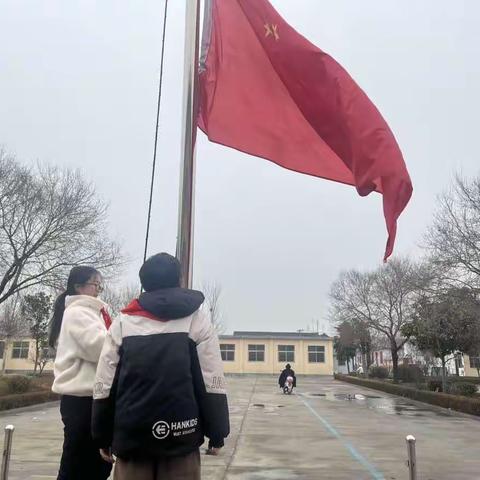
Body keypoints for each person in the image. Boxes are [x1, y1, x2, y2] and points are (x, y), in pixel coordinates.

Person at [92, 253, 230, 480]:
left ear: (144, 283)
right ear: (179, 280)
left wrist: (102, 435)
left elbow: (104, 383)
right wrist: (217, 434)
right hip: (182, 436)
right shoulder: (197, 320)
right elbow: (211, 381)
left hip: (132, 436)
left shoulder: (123, 323)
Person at [50, 266, 112, 480]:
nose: (98, 289)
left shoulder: (94, 312)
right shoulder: (78, 312)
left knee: (97, 463)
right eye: (95, 284)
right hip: (81, 399)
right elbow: (99, 347)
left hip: (92, 397)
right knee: (78, 462)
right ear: (78, 286)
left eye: (99, 285)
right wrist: (125, 337)